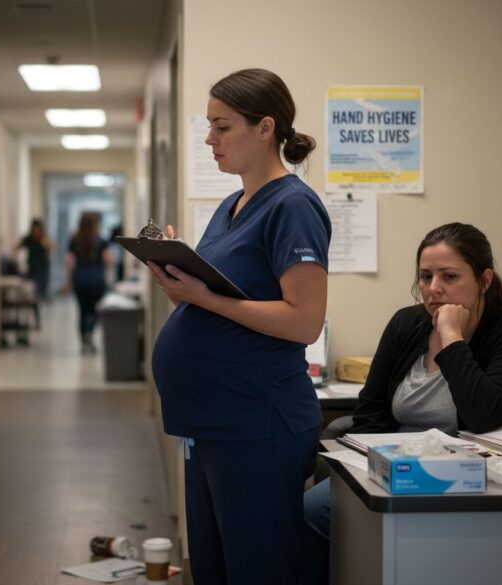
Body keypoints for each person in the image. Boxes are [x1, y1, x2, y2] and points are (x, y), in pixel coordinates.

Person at [148, 69, 331, 585]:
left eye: (221, 126)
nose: (209, 138)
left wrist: (202, 296)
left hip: (257, 426)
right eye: (209, 126)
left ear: (265, 127)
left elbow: (303, 321)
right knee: (213, 570)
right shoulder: (231, 205)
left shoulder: (294, 206)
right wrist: (178, 277)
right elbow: (216, 301)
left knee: (257, 571)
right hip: (210, 425)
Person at [301, 222, 502, 585]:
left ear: (485, 280)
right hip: (390, 471)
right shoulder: (406, 325)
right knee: (307, 513)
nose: (433, 289)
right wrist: (378, 470)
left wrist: (452, 338)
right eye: (425, 277)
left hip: (471, 481)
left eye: (449, 276)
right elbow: (371, 413)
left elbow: (483, 417)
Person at [63, 212, 113, 353]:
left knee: (82, 311)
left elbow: (68, 261)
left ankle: (84, 339)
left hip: (79, 279)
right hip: (96, 280)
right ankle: (90, 331)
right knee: (97, 310)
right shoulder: (101, 241)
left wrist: (67, 281)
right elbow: (109, 260)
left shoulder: (75, 240)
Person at [15, 218, 53, 328]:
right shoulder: (28, 239)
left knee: (38, 295)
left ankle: (37, 318)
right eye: (34, 229)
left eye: (38, 229)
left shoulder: (43, 239)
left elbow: (50, 248)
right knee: (33, 296)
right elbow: (16, 248)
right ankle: (36, 320)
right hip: (31, 271)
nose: (36, 231)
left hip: (42, 271)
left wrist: (43, 241)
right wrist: (17, 263)